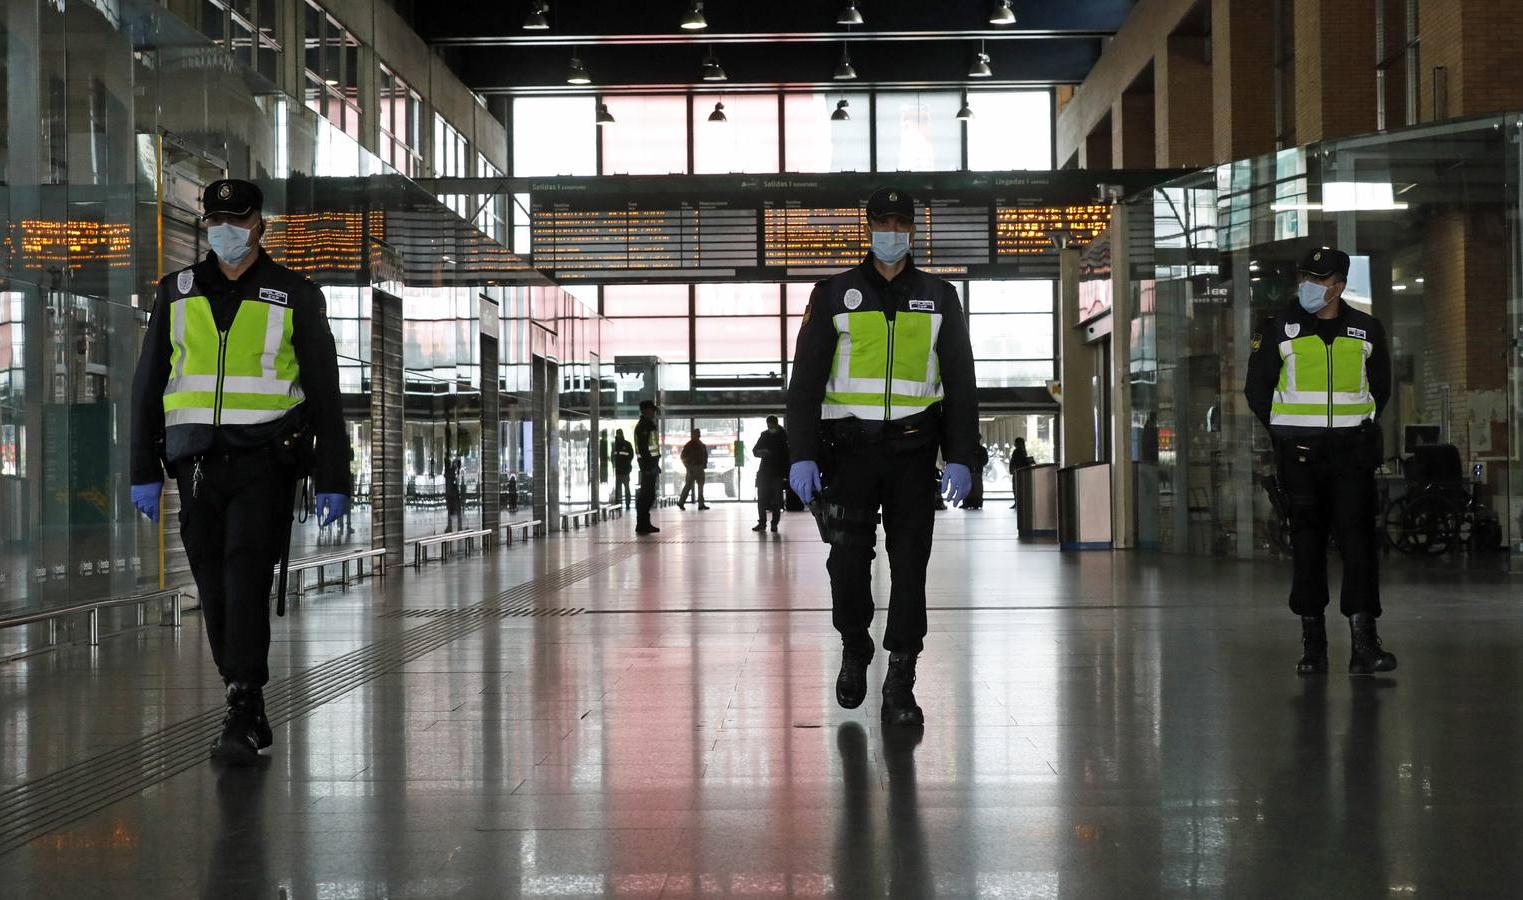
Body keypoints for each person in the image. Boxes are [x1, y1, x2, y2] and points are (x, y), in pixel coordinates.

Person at [129, 178, 350, 765]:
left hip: (265, 461)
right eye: (216, 219)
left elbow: (326, 394)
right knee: (210, 577)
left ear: (260, 225)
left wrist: (334, 474)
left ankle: (244, 702)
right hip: (194, 463)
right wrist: (142, 467)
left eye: (238, 218)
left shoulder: (294, 293)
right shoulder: (174, 293)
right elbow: (148, 386)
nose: (225, 229)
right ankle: (242, 692)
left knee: (243, 571)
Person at [787, 186, 978, 727]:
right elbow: (804, 385)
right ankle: (855, 644)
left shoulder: (940, 297)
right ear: (867, 228)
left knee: (910, 566)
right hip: (849, 453)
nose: (890, 231)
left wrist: (961, 456)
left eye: (899, 221)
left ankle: (901, 672)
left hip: (914, 453)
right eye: (881, 221)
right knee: (846, 562)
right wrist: (801, 454)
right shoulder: (833, 295)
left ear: (913, 229)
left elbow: (961, 385)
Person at [1244, 246, 1396, 676]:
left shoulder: (1367, 330)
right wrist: (1287, 436)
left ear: (1339, 287)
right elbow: (1257, 391)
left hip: (1351, 455)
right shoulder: (1279, 329)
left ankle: (1364, 643)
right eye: (1305, 277)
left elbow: (1380, 389)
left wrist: (1358, 427)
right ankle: (1314, 645)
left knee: (1359, 546)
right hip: (1301, 457)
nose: (1308, 286)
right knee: (1307, 547)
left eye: (1319, 279)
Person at [752, 415, 789, 532]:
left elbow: (787, 455)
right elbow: (755, 450)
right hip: (765, 472)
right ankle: (762, 523)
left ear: (776, 423)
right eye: (768, 425)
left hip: (777, 472)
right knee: (762, 498)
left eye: (771, 425)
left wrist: (786, 474)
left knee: (777, 500)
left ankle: (774, 523)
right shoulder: (765, 435)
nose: (770, 427)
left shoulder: (784, 436)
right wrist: (761, 452)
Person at [633, 399, 661, 534]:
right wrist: (649, 466)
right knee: (646, 495)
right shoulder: (644, 426)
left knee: (649, 495)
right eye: (651, 410)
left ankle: (644, 523)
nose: (653, 412)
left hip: (651, 464)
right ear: (645, 410)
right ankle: (642, 524)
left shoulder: (647, 425)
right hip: (648, 466)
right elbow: (644, 449)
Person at [677, 428, 710, 510]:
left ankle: (700, 504)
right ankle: (682, 502)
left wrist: (703, 465)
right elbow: (683, 457)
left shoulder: (700, 444)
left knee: (698, 487)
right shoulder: (690, 445)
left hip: (698, 467)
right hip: (693, 468)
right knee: (689, 486)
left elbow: (705, 456)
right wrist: (688, 467)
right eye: (697, 433)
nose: (699, 435)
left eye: (699, 433)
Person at [1007, 437, 1035, 509]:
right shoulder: (1023, 451)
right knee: (1020, 488)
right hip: (1021, 472)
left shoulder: (1017, 451)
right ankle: (1019, 503)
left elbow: (1014, 461)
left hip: (1017, 472)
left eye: (1015, 442)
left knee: (1016, 488)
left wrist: (1012, 469)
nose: (1014, 444)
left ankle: (1017, 503)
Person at [610, 428, 634, 509]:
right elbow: (612, 457)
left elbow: (631, 455)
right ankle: (618, 503)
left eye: (620, 433)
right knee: (618, 489)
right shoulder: (614, 445)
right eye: (618, 434)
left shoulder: (627, 444)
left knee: (626, 487)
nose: (619, 435)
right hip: (617, 471)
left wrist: (627, 464)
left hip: (625, 471)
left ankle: (627, 503)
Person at [963, 439, 990, 510]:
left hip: (972, 471)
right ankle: (975, 503)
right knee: (976, 488)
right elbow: (985, 460)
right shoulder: (981, 449)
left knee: (972, 488)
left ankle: (970, 503)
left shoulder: (968, 449)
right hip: (975, 471)